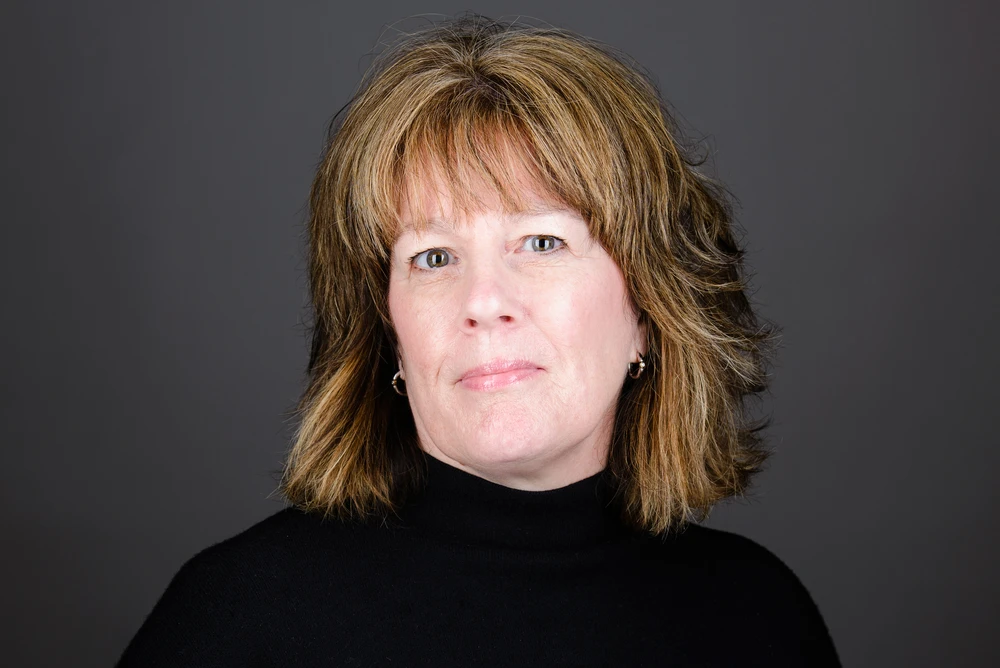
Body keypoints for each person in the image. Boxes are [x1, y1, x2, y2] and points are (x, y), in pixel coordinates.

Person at [117, 14, 841, 667]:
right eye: (434, 257)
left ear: (648, 311)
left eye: (541, 241)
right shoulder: (240, 621)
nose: (485, 301)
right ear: (391, 333)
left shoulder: (760, 618)